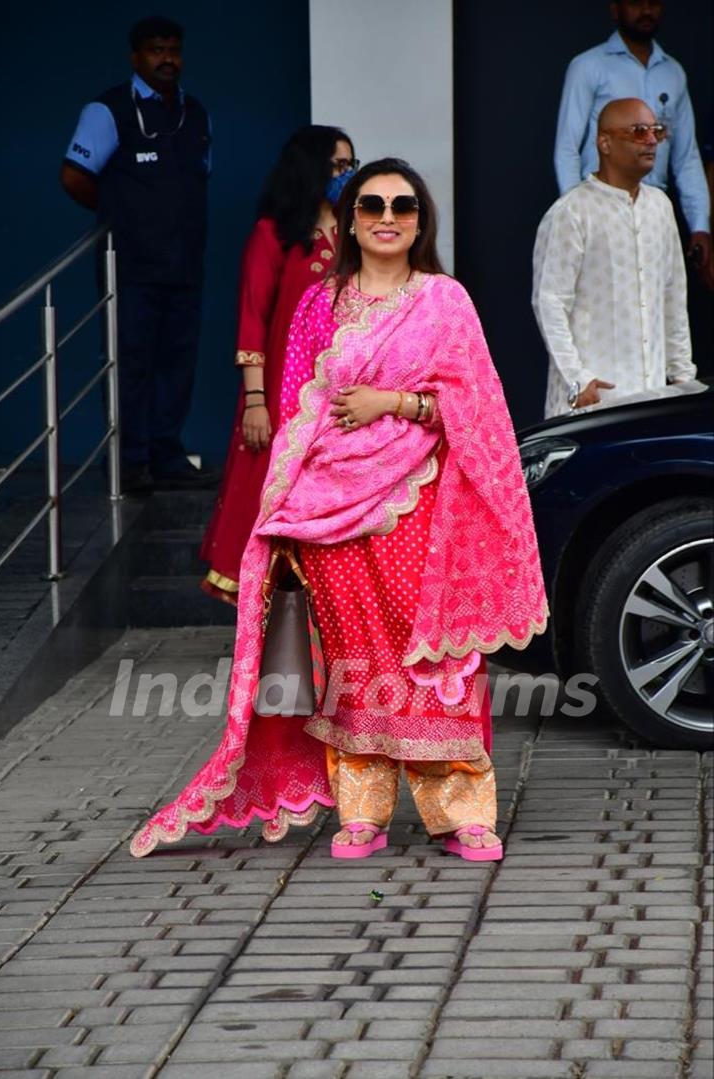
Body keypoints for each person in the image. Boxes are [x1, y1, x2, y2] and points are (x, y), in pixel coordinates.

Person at [130, 159, 548, 862]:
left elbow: (480, 408)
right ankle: (363, 812)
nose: (388, 217)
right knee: (354, 658)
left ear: (421, 221)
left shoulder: (444, 301)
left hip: (417, 500)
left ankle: (462, 813)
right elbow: (299, 408)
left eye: (403, 206)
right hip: (330, 508)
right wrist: (283, 509)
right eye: (372, 204)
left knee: (435, 655)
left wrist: (396, 404)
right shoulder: (321, 303)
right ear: (350, 219)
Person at [200, 126, 357, 605]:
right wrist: (255, 401)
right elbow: (253, 319)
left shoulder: (357, 231)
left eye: (352, 165)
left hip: (342, 395)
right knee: (271, 496)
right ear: (309, 168)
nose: (347, 175)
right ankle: (270, 617)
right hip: (280, 396)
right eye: (337, 166)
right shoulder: (275, 235)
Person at [61, 16, 215, 494]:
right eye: (156, 50)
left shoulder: (196, 113)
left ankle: (167, 454)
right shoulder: (108, 110)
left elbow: (199, 178)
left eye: (173, 50)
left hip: (184, 263)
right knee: (133, 362)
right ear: (136, 57)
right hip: (131, 265)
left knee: (178, 361)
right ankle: (130, 462)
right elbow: (75, 176)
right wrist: (122, 214)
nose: (167, 59)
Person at [534, 98, 696, 417]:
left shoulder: (660, 206)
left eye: (657, 131)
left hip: (654, 399)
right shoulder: (572, 212)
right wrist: (577, 379)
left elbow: (673, 297)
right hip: (591, 402)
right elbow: (549, 302)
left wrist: (682, 379)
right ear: (604, 142)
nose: (651, 140)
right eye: (638, 131)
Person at [554, 0, 712, 285]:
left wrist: (700, 225)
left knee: (652, 305)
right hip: (601, 208)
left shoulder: (673, 73)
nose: (646, 9)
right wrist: (575, 214)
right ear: (615, 9)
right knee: (603, 303)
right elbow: (567, 148)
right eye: (636, 2)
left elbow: (686, 157)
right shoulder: (589, 66)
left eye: (653, 2)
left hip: (655, 214)